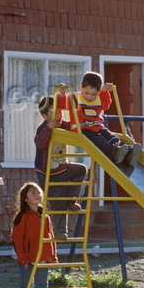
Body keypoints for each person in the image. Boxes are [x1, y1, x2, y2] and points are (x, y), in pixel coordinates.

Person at [57, 71, 142, 168]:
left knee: (111, 137)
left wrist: (104, 92)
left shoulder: (98, 99)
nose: (89, 97)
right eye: (87, 93)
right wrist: (61, 95)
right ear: (81, 88)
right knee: (99, 140)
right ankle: (113, 153)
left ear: (98, 92)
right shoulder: (74, 98)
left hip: (98, 126)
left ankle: (128, 152)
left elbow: (106, 104)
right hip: (82, 129)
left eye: (94, 94)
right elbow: (61, 105)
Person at [34, 95, 88, 240]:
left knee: (81, 169)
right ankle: (60, 232)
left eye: (60, 112)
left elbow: (75, 128)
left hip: (62, 168)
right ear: (45, 116)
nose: (58, 116)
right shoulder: (43, 128)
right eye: (54, 113)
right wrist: (49, 127)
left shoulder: (63, 125)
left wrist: (84, 125)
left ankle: (71, 200)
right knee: (57, 201)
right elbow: (40, 143)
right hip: (47, 172)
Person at [11, 182, 57, 288]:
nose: (37, 195)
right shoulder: (22, 217)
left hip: (43, 260)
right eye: (33, 193)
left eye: (38, 192)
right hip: (28, 261)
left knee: (42, 287)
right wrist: (23, 259)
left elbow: (50, 237)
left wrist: (53, 255)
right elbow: (17, 240)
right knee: (26, 287)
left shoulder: (45, 216)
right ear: (25, 198)